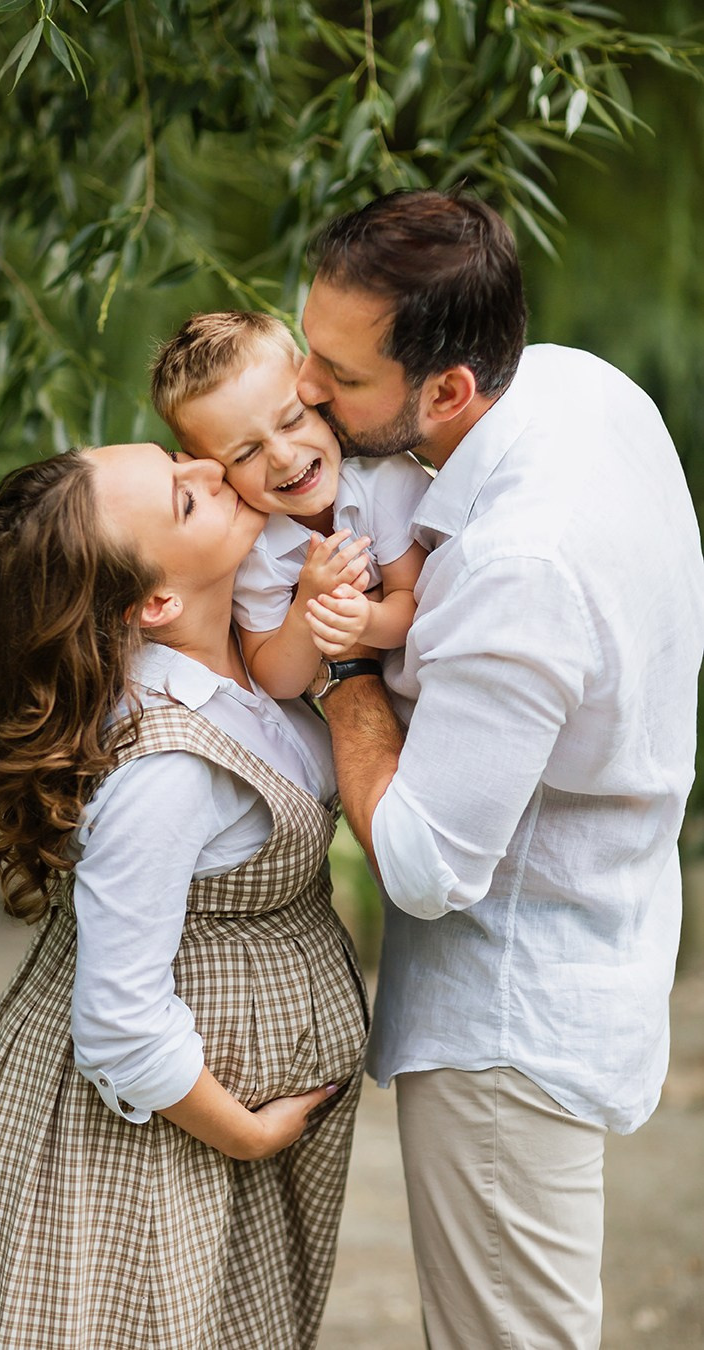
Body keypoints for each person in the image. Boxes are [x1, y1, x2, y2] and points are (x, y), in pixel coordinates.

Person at [295, 188, 704, 1349]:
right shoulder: (575, 383)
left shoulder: (522, 561)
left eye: (341, 374)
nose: (309, 391)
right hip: (594, 934)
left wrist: (342, 682)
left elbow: (423, 865)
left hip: (507, 1022)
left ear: (450, 388)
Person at [0, 443, 369, 1350]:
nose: (210, 468)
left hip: (210, 1132)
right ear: (156, 602)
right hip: (147, 1143)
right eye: (184, 497)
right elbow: (119, 1019)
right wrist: (241, 1133)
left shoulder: (250, 669)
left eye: (176, 456)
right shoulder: (164, 766)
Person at [150, 310, 432, 698]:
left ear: (317, 400)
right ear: (216, 472)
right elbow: (279, 680)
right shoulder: (254, 551)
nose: (282, 457)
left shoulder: (382, 480)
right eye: (247, 453)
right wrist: (306, 608)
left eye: (292, 420)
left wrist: (368, 620)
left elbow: (415, 602)